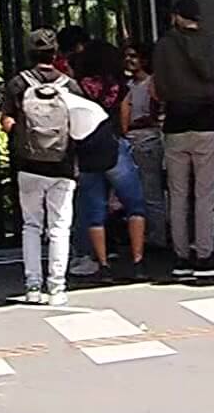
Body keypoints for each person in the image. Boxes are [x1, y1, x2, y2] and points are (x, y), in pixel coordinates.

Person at [2, 28, 84, 305]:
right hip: (62, 165)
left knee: (31, 226)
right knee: (60, 227)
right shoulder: (69, 85)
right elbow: (81, 123)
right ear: (55, 53)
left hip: (28, 165)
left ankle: (32, 286)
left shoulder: (18, 84)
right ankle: (57, 288)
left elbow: (6, 120)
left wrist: (21, 136)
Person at [155, 0, 214, 273]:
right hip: (207, 123)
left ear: (176, 16)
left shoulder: (164, 46)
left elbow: (155, 90)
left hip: (175, 124)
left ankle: (180, 254)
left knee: (177, 194)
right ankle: (205, 253)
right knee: (204, 194)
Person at [72, 39, 147, 281]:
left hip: (87, 151)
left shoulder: (78, 88)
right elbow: (124, 122)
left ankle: (102, 264)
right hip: (115, 147)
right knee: (135, 204)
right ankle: (138, 261)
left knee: (94, 210)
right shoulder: (120, 87)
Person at [120, 41, 169, 254]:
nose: (129, 60)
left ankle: (157, 237)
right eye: (127, 56)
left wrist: (133, 123)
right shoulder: (128, 85)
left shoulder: (152, 83)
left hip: (147, 140)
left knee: (152, 192)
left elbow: (154, 115)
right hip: (132, 141)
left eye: (134, 56)